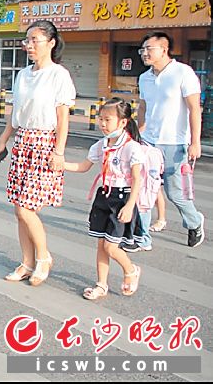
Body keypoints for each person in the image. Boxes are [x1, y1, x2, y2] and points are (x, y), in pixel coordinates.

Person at [0, 19, 75, 286]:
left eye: (34, 41)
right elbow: (16, 114)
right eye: (26, 40)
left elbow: (63, 118)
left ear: (51, 43)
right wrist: (3, 141)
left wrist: (59, 152)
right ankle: (26, 262)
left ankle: (43, 258)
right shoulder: (23, 74)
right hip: (22, 142)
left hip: (45, 143)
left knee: (28, 208)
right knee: (19, 208)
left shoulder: (58, 75)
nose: (28, 45)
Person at [64, 98, 144, 300]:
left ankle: (130, 269)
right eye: (100, 119)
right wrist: (60, 164)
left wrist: (129, 205)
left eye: (107, 120)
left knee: (111, 246)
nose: (102, 124)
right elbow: (83, 167)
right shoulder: (100, 145)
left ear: (123, 122)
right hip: (104, 196)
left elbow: (137, 179)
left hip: (122, 198)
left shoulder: (131, 147)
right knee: (101, 244)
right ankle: (101, 285)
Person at [133, 31, 205, 249]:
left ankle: (194, 222)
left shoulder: (183, 73)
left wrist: (195, 142)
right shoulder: (144, 77)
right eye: (142, 50)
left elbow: (194, 109)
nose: (144, 53)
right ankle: (141, 238)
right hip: (148, 142)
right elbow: (143, 107)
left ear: (164, 49)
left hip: (174, 142)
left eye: (149, 49)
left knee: (175, 194)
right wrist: (138, 135)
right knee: (143, 190)